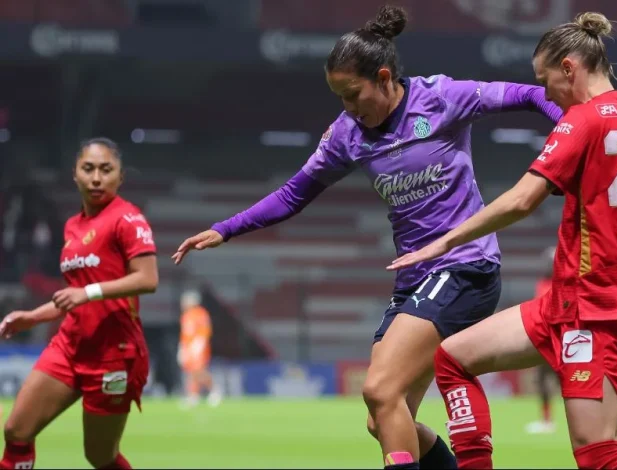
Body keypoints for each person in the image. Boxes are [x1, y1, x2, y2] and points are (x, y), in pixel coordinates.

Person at [171, 5, 561, 469]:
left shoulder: (440, 97)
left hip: (464, 266)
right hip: (413, 279)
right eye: (340, 98)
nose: (349, 108)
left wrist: (567, 137)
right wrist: (225, 229)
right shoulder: (347, 135)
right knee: (384, 417)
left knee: (379, 389)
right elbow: (294, 194)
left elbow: (529, 94)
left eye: (353, 94)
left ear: (383, 77)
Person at [387, 12, 617, 469]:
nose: (546, 94)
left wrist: (445, 242)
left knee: (598, 457)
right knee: (452, 360)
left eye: (545, 81)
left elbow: (522, 201)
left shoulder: (583, 121)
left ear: (569, 68)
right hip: (571, 301)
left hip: (591, 305)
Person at [0, 138, 158, 469]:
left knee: (99, 456)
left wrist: (89, 292)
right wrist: (33, 316)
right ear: (75, 174)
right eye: (88, 169)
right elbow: (73, 294)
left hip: (114, 353)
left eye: (106, 169)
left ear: (120, 176)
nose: (96, 178)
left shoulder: (128, 219)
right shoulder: (73, 226)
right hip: (70, 345)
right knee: (17, 430)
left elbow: (147, 279)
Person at [524, 246, 556, 435]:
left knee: (570, 381)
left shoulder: (564, 284)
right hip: (545, 338)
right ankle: (546, 420)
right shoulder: (543, 282)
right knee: (543, 380)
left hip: (562, 339)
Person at [178, 289, 222, 408]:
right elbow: (185, 335)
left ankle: (214, 390)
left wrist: (198, 345)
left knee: (199, 370)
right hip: (188, 348)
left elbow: (205, 331)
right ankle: (193, 394)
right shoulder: (186, 316)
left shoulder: (201, 313)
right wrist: (182, 348)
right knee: (191, 372)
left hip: (198, 348)